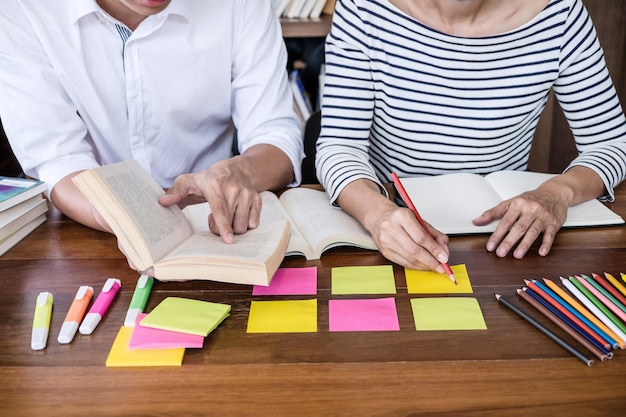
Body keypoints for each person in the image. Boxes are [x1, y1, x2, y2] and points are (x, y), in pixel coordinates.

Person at [316, 0, 626, 274]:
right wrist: (377, 214)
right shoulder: (364, 8)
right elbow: (340, 146)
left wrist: (558, 192)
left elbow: (612, 144)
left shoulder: (561, 13)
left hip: (506, 240)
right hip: (393, 234)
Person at [0, 0, 304, 247]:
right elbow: (59, 160)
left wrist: (239, 174)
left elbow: (275, 134)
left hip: (214, 223)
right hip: (91, 226)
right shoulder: (22, 9)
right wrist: (137, 222)